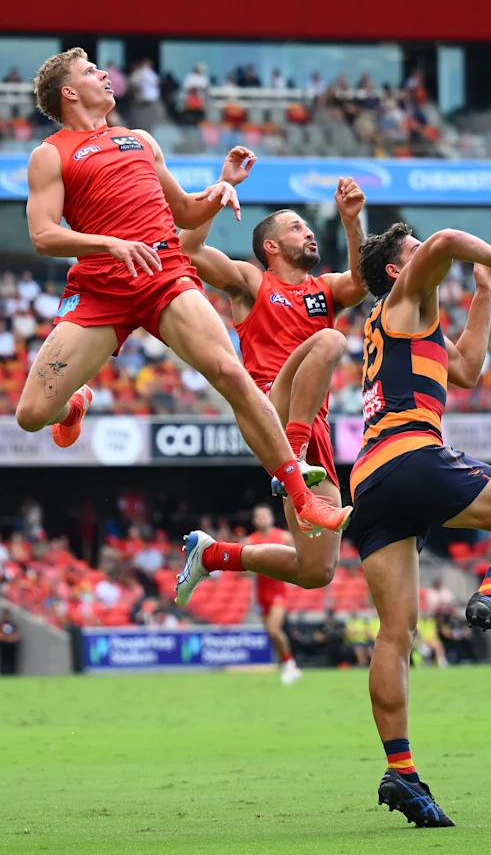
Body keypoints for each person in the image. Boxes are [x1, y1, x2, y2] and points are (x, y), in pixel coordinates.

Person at [15, 47, 350, 543]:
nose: (105, 74)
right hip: (102, 288)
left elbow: (187, 214)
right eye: (90, 72)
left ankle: (301, 496)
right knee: (31, 416)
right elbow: (43, 235)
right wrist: (109, 242)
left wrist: (220, 187)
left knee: (231, 375)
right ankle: (74, 404)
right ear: (68, 92)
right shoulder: (51, 153)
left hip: (164, 274)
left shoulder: (141, 140)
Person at [351, 222, 491, 828]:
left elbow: (465, 369)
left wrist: (486, 292)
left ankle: (402, 773)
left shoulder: (408, 322)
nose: (424, 259)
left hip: (370, 480)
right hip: (411, 453)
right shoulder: (404, 296)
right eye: (408, 255)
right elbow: (442, 241)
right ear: (396, 271)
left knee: (395, 634)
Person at [175, 173, 366, 604]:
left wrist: (351, 221)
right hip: (269, 406)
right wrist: (213, 198)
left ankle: (213, 555)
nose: (309, 232)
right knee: (333, 339)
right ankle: (293, 459)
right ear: (272, 247)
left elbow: (363, 281)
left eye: (309, 226)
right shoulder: (253, 280)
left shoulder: (326, 288)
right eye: (297, 227)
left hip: (313, 421)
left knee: (317, 569)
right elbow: (187, 250)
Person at [245, 504, 301, 685]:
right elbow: (242, 570)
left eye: (265, 515)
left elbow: (297, 559)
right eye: (258, 516)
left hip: (279, 591)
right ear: (254, 520)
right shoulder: (250, 541)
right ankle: (286, 662)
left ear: (271, 517)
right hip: (261, 593)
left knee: (273, 629)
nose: (262, 519)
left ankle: (290, 664)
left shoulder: (283, 537)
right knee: (271, 633)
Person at [0, 609, 21, 674]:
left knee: (12, 661)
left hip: (12, 645)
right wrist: (6, 638)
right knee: (4, 660)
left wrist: (11, 638)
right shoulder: (2, 623)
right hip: (4, 644)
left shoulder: (12, 624)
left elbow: (17, 635)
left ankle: (12, 674)